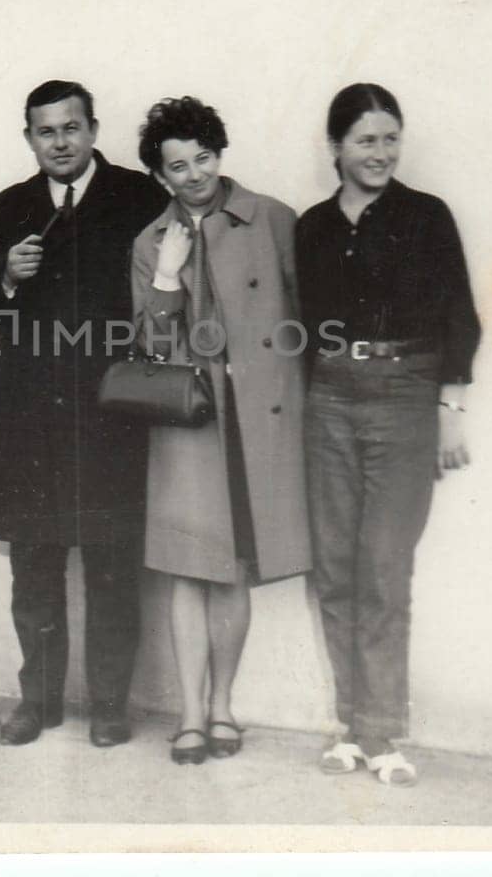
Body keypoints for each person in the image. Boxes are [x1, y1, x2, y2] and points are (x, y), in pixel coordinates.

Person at [0, 80, 169, 747]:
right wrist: (4, 276)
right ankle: (37, 701)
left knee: (112, 565)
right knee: (34, 567)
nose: (61, 142)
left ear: (93, 129)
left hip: (113, 414)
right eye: (46, 132)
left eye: (71, 128)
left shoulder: (138, 197)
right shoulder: (8, 208)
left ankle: (108, 705)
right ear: (29, 139)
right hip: (31, 420)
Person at [295, 84, 481, 787]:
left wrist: (449, 408)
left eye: (390, 138)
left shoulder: (426, 217)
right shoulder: (312, 226)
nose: (381, 152)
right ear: (336, 147)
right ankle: (350, 727)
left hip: (406, 393)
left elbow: (459, 314)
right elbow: (299, 328)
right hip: (330, 395)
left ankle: (382, 733)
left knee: (382, 567)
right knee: (335, 568)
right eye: (367, 140)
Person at [129, 96, 313, 765]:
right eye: (177, 166)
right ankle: (188, 715)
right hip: (187, 420)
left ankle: (224, 707)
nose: (195, 174)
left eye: (203, 157)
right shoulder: (149, 241)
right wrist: (170, 272)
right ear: (161, 174)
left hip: (256, 420)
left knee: (233, 569)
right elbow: (149, 345)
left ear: (219, 153)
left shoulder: (273, 219)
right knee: (185, 569)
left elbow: (308, 318)